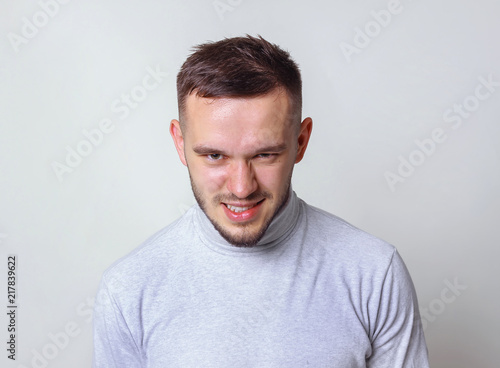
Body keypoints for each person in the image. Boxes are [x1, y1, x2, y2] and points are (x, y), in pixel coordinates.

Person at [92, 35, 429, 367]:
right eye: (214, 155)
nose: (241, 187)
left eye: (265, 154)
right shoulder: (127, 289)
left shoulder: (373, 273)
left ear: (301, 140)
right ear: (180, 144)